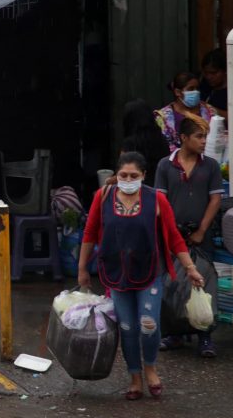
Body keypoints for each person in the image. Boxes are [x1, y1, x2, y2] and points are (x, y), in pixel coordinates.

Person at [78, 152, 206, 401]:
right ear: (116, 175)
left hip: (149, 273)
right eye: (123, 175)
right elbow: (90, 232)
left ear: (144, 176)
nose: (128, 179)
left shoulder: (156, 199)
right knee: (127, 328)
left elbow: (174, 237)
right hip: (117, 275)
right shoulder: (102, 197)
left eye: (133, 176)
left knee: (149, 325)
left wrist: (190, 268)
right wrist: (82, 268)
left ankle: (150, 368)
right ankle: (134, 377)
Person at [155, 115, 224, 358]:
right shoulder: (165, 165)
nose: (204, 141)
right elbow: (160, 202)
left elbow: (215, 199)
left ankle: (205, 337)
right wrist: (172, 232)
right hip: (172, 236)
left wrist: (201, 230)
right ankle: (175, 333)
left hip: (201, 237)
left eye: (205, 136)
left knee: (202, 283)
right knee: (173, 284)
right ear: (183, 138)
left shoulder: (211, 166)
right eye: (199, 136)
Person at [154, 71, 217, 152]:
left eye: (197, 88)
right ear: (177, 92)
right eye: (191, 89)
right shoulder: (163, 117)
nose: (196, 92)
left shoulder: (209, 111)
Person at [120, 99, 170, 189]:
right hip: (159, 190)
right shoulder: (162, 139)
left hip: (136, 192)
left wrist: (107, 182)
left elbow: (123, 172)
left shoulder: (129, 143)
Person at [200, 48, 228, 115]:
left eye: (214, 73)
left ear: (224, 71)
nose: (209, 77)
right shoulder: (203, 85)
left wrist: (211, 109)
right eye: (206, 73)